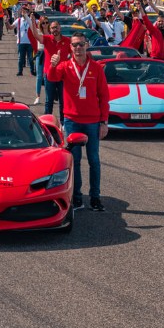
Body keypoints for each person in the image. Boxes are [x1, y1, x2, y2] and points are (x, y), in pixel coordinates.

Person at [46, 32, 109, 211]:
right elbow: (52, 79)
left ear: (86, 45)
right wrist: (52, 66)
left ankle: (95, 198)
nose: (78, 48)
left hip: (93, 121)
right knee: (75, 160)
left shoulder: (96, 68)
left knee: (94, 160)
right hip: (72, 120)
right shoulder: (65, 66)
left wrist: (104, 122)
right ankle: (77, 197)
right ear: (71, 47)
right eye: (74, 45)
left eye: (81, 44)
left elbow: (104, 96)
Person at [32, 17, 72, 118]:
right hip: (49, 75)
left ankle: (63, 122)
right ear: (50, 30)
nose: (55, 29)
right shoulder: (47, 39)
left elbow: (73, 56)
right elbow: (36, 35)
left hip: (63, 75)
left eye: (56, 27)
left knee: (63, 101)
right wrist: (33, 22)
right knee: (49, 101)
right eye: (53, 28)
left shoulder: (67, 41)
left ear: (60, 28)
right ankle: (47, 121)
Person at [12, 6, 36, 76]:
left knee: (31, 58)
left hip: (30, 42)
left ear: (28, 12)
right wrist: (6, 22)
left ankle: (32, 71)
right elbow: (11, 27)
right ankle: (20, 71)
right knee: (20, 58)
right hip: (21, 42)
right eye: (23, 11)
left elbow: (38, 22)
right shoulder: (18, 20)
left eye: (25, 11)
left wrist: (32, 13)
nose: (24, 12)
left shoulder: (31, 20)